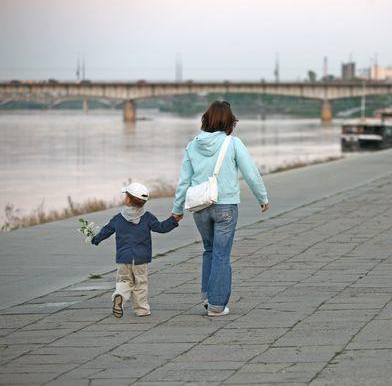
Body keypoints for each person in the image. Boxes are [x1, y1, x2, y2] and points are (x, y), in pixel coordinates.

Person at [172, 101, 269, 317]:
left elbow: (183, 181)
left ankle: (208, 296)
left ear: (206, 120)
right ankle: (216, 305)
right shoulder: (233, 143)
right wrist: (262, 197)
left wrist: (177, 209)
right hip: (225, 205)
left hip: (200, 206)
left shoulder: (192, 146)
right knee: (221, 255)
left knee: (209, 250)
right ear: (230, 123)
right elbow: (251, 173)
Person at [91, 183, 180, 318]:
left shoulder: (118, 218)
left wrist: (95, 239)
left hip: (123, 258)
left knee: (123, 280)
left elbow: (106, 231)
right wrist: (173, 219)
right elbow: (161, 228)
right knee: (140, 283)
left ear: (128, 199)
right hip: (140, 258)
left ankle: (120, 295)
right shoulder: (148, 217)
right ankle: (142, 309)